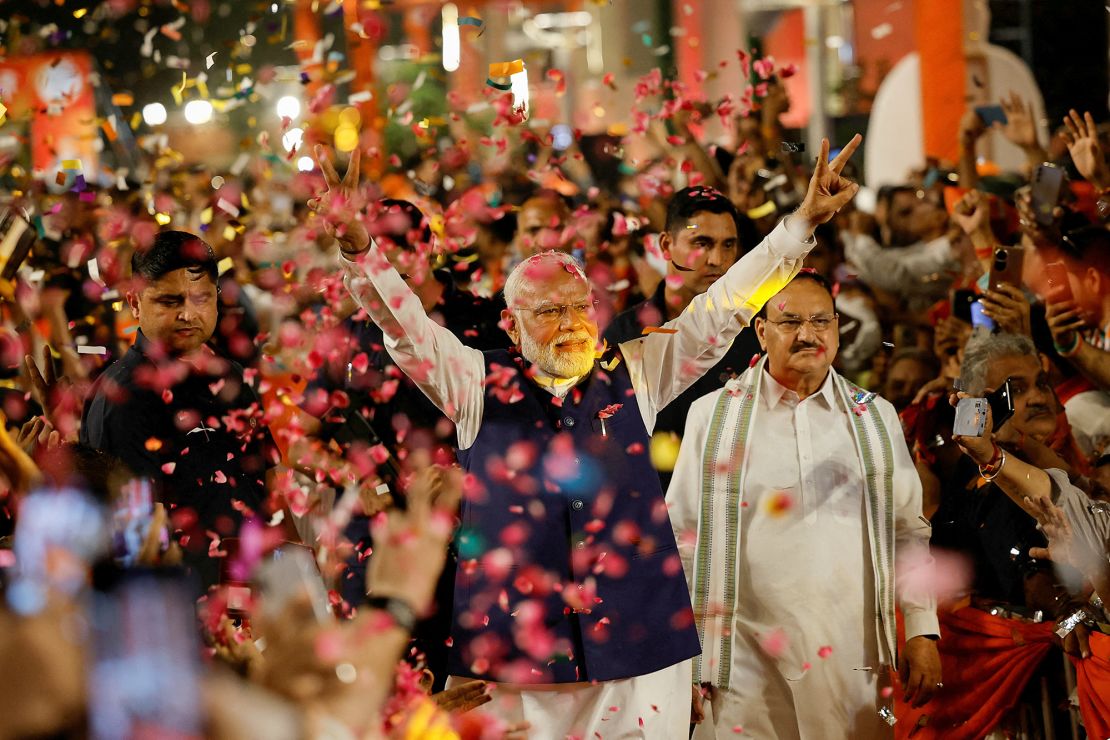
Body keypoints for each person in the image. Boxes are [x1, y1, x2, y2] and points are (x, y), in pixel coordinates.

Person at [308, 135, 863, 736]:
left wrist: (800, 223)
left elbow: (726, 305)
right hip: (515, 661)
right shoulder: (472, 379)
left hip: (639, 650)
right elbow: (404, 326)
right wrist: (360, 249)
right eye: (549, 312)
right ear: (512, 328)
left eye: (581, 308)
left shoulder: (640, 369)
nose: (571, 323)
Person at [668, 269, 941, 739]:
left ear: (837, 329)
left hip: (850, 656)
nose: (807, 335)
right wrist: (681, 662)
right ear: (761, 331)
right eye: (790, 321)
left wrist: (921, 628)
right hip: (741, 662)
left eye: (820, 321)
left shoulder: (874, 416)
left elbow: (907, 531)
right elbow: (682, 538)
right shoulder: (713, 414)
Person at [78, 231, 281, 585]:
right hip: (184, 604)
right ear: (135, 302)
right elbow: (133, 539)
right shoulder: (122, 396)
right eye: (170, 301)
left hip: (252, 595)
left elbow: (269, 483)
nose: (188, 314)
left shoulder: (233, 376)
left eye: (201, 298)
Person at [603, 186, 762, 488]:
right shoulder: (624, 336)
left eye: (728, 245)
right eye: (702, 243)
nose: (717, 259)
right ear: (666, 244)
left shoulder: (754, 333)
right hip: (655, 511)